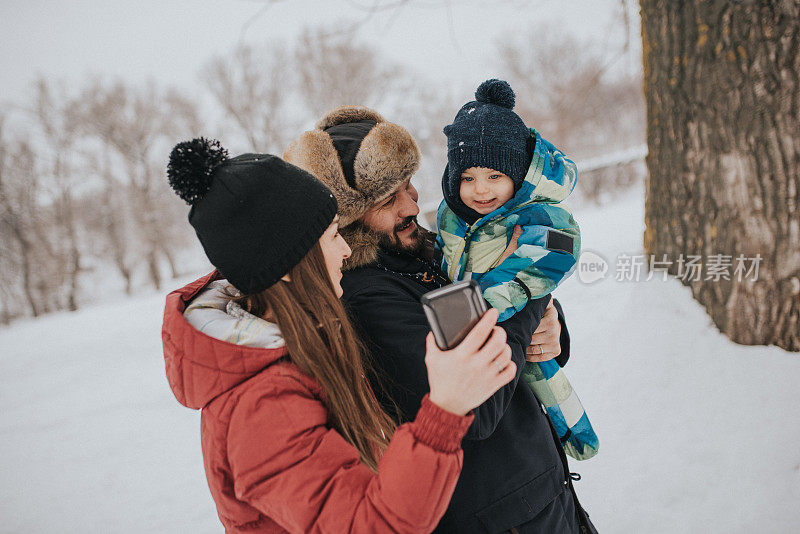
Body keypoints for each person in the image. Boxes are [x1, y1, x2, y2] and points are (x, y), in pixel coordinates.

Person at [161, 137, 518, 533]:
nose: (346, 250)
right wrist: (445, 411)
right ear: (285, 265)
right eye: (333, 236)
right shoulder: (261, 406)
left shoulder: (303, 347)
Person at [284, 107, 597, 532]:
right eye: (388, 197)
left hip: (544, 497)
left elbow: (498, 323)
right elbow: (478, 407)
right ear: (351, 216)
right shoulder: (369, 298)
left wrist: (552, 324)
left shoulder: (422, 251)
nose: (412, 202)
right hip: (503, 519)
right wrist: (527, 288)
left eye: (410, 184)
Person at [438, 79, 598, 461]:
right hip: (480, 329)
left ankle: (579, 437)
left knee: (542, 376)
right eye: (468, 178)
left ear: (519, 175)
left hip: (508, 314)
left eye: (495, 176)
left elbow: (559, 251)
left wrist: (492, 298)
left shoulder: (537, 215)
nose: (480, 190)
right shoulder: (451, 217)